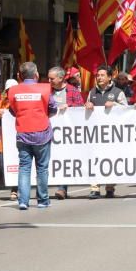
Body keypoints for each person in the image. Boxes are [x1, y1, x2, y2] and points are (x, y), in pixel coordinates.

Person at [7, 62, 55, 210]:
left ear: (19, 76)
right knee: (42, 168)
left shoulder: (13, 91)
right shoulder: (45, 89)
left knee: (24, 168)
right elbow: (53, 108)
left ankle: (23, 201)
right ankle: (42, 200)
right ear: (36, 75)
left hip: (23, 133)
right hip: (42, 133)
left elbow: (12, 110)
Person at [86, 64, 128, 199]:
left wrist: (115, 105)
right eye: (98, 75)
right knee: (95, 159)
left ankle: (110, 187)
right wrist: (87, 105)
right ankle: (95, 188)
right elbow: (85, 110)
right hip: (96, 134)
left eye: (102, 75)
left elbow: (126, 111)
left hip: (112, 134)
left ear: (110, 77)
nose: (99, 77)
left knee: (111, 159)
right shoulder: (92, 93)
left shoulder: (118, 92)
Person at [47, 66, 86, 201]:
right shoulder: (46, 91)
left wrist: (69, 108)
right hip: (48, 131)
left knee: (64, 158)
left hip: (67, 134)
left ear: (61, 78)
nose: (49, 81)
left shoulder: (72, 90)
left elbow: (80, 108)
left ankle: (62, 188)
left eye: (52, 78)